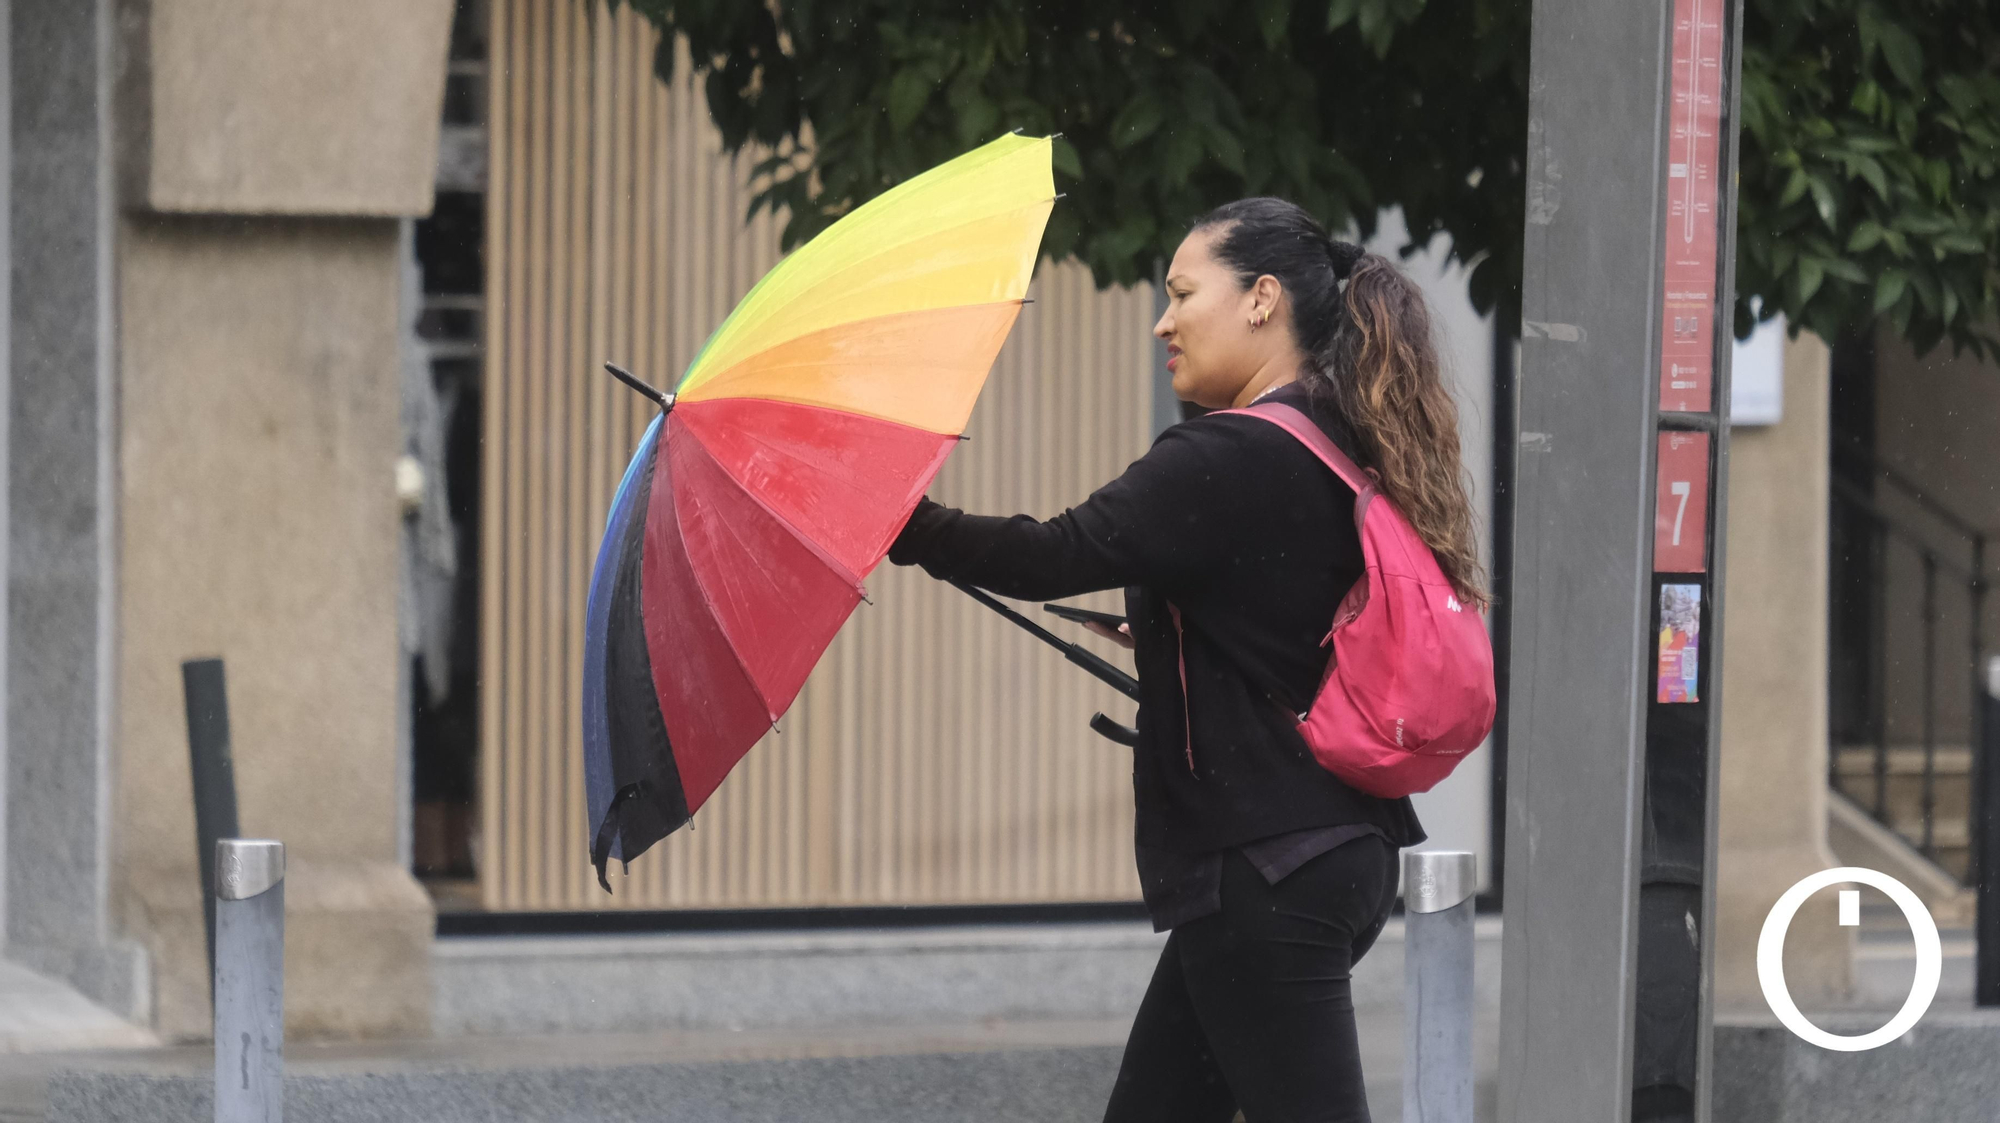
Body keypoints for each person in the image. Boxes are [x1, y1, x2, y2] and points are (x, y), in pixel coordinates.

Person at [887, 197, 1488, 1122]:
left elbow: (1049, 554)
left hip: (1266, 865)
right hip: (1322, 849)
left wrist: (895, 516)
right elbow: (1286, 626)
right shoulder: (1337, 440)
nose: (1163, 321)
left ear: (1261, 299)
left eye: (1182, 292)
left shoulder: (1227, 452)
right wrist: (1173, 637)